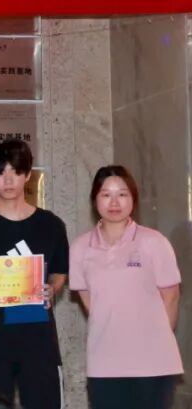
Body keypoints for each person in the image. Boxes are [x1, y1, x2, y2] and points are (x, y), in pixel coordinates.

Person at [0, 140, 69, 409]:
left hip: (38, 341)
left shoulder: (51, 225)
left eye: (15, 171)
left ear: (28, 175)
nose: (8, 180)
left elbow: (59, 272)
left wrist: (52, 288)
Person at [70, 165, 181, 409]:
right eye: (106, 194)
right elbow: (91, 302)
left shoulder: (154, 241)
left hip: (153, 363)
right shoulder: (80, 248)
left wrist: (155, 340)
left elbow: (171, 297)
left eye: (122, 194)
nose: (114, 202)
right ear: (95, 199)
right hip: (104, 362)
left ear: (133, 199)